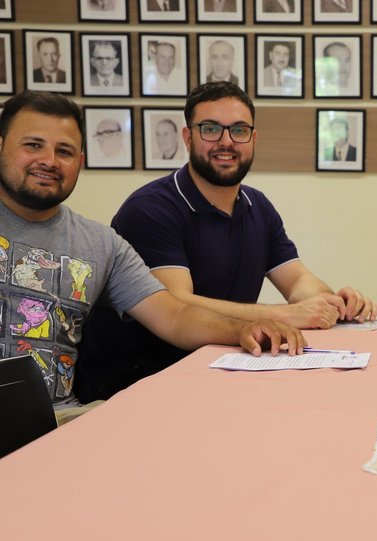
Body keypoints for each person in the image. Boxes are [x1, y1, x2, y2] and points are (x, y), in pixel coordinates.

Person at [0, 90, 303, 416]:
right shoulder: (150, 208)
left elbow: (174, 315)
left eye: (64, 151)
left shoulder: (103, 244)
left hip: (61, 417)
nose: (49, 161)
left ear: (80, 161)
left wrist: (244, 329)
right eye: (33, 145)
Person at [76, 82, 376, 402]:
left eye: (239, 130)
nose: (226, 141)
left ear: (254, 139)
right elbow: (178, 303)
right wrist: (287, 315)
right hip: (135, 383)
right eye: (210, 129)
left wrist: (332, 303)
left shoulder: (258, 206)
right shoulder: (150, 210)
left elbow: (297, 279)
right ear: (188, 137)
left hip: (221, 369)